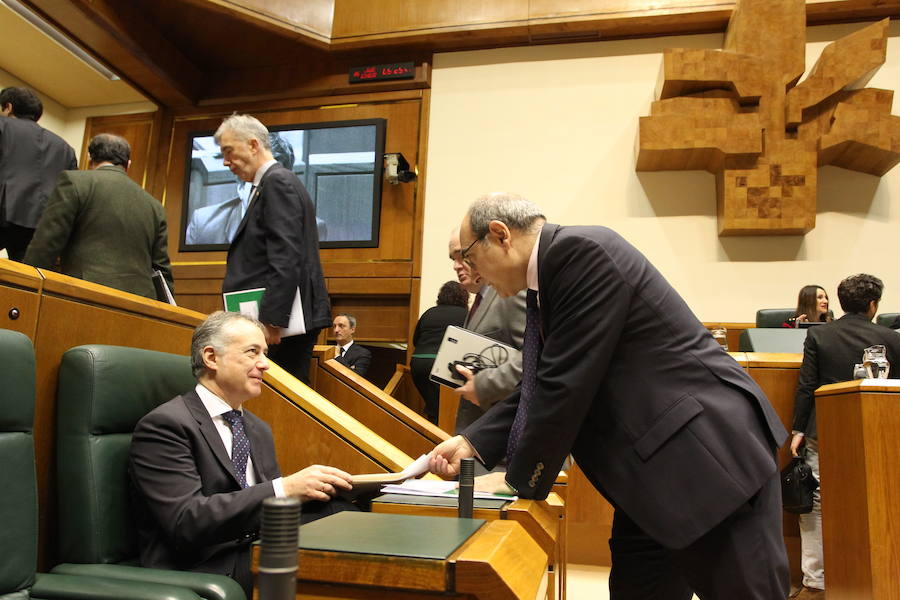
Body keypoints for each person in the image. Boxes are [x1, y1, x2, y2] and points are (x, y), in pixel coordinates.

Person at [430, 193, 790, 599]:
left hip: (707, 464)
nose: (472, 273)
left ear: (500, 236)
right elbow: (544, 378)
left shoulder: (580, 253)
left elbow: (564, 385)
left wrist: (518, 482)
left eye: (472, 258)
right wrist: (473, 441)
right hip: (652, 478)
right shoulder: (548, 277)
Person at [129, 311, 355, 598]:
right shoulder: (166, 425)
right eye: (253, 352)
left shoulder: (256, 428)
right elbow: (185, 522)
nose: (265, 364)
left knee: (341, 513)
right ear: (211, 357)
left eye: (265, 353)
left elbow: (263, 508)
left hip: (255, 548)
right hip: (203, 564)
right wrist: (284, 489)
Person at [789, 273, 900, 599]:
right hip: (880, 434)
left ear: (841, 302)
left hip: (823, 431)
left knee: (816, 504)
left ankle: (816, 581)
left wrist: (797, 429)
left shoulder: (819, 337)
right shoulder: (891, 339)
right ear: (873, 304)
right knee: (881, 502)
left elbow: (807, 387)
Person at [216, 114, 330, 384]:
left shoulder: (277, 182)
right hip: (277, 321)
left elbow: (285, 257)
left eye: (229, 151)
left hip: (279, 326)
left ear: (253, 145)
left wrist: (272, 321)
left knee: (279, 402)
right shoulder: (270, 184)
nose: (225, 161)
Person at [23, 133, 173, 299]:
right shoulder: (154, 205)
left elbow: (46, 245)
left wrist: (24, 288)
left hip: (86, 296)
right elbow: (162, 271)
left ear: (90, 158)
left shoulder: (74, 182)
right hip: (142, 304)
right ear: (127, 164)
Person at [448, 227, 526, 433]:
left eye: (463, 256)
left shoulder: (511, 293)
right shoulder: (480, 300)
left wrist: (484, 385)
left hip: (506, 440)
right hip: (478, 433)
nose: (456, 266)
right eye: (452, 259)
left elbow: (537, 357)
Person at [0, 87, 77, 261]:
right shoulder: (65, 148)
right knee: (24, 279)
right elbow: (68, 193)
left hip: (4, 211)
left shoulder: (2, 125)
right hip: (41, 225)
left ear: (8, 107)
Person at [410, 281, 469, 424]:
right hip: (443, 366)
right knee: (446, 410)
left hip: (419, 363)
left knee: (433, 404)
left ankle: (431, 426)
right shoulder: (466, 315)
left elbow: (415, 340)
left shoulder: (429, 313)